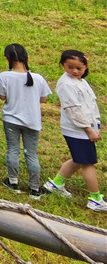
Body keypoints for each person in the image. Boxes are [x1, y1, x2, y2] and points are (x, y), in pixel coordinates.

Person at [44, 50, 103, 211]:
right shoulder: (66, 84)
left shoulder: (80, 81)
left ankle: (55, 183)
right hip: (78, 129)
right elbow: (74, 110)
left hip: (86, 127)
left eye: (79, 68)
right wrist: (88, 129)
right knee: (88, 163)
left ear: (85, 66)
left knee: (79, 159)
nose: (75, 71)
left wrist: (96, 125)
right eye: (70, 67)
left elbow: (90, 104)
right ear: (63, 65)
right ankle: (95, 198)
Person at [0, 43, 51, 198]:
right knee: (31, 153)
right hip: (32, 121)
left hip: (11, 119)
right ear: (27, 58)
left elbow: (2, 97)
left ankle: (13, 181)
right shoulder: (38, 78)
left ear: (7, 59)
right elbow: (44, 99)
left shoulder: (4, 76)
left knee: (13, 149)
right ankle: (34, 188)